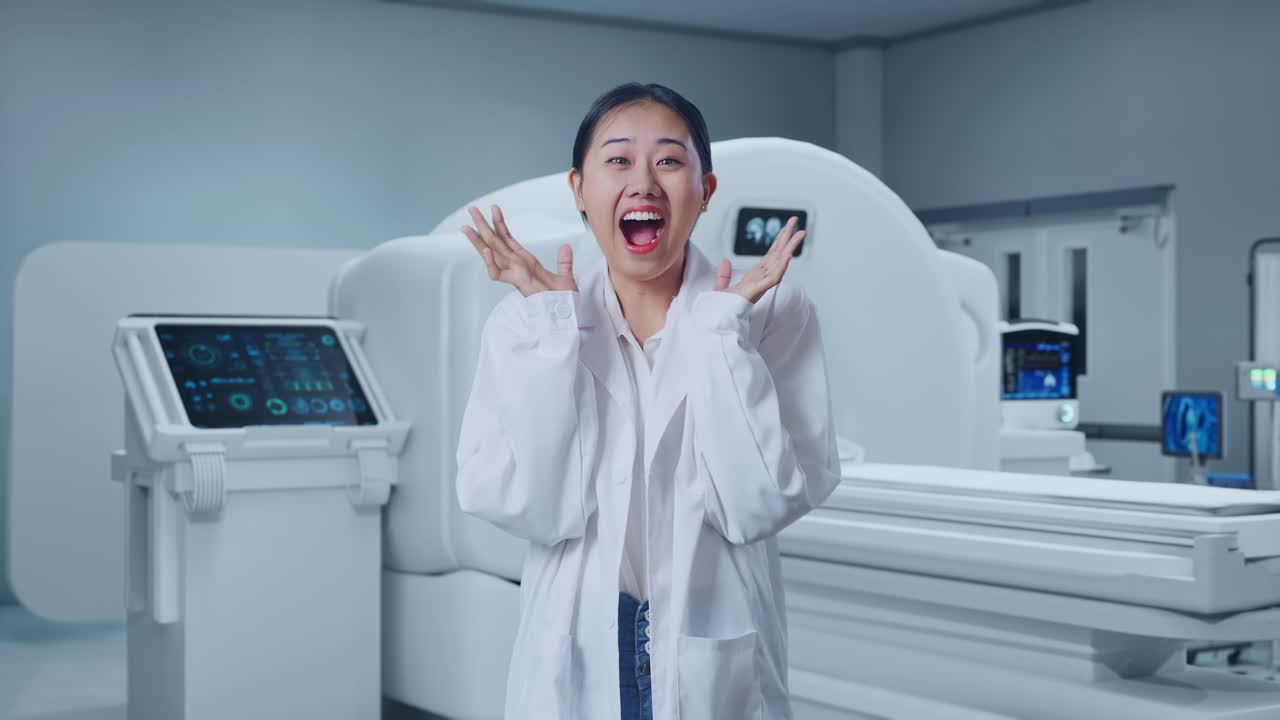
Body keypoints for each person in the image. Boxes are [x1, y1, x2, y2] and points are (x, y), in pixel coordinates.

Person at [455, 82, 841, 720]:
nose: (643, 183)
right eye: (617, 161)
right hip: (578, 641)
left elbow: (757, 506)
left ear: (705, 189)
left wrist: (721, 340)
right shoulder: (527, 324)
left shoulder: (772, 312)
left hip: (710, 642)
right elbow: (527, 505)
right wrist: (554, 335)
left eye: (668, 160)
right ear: (579, 189)